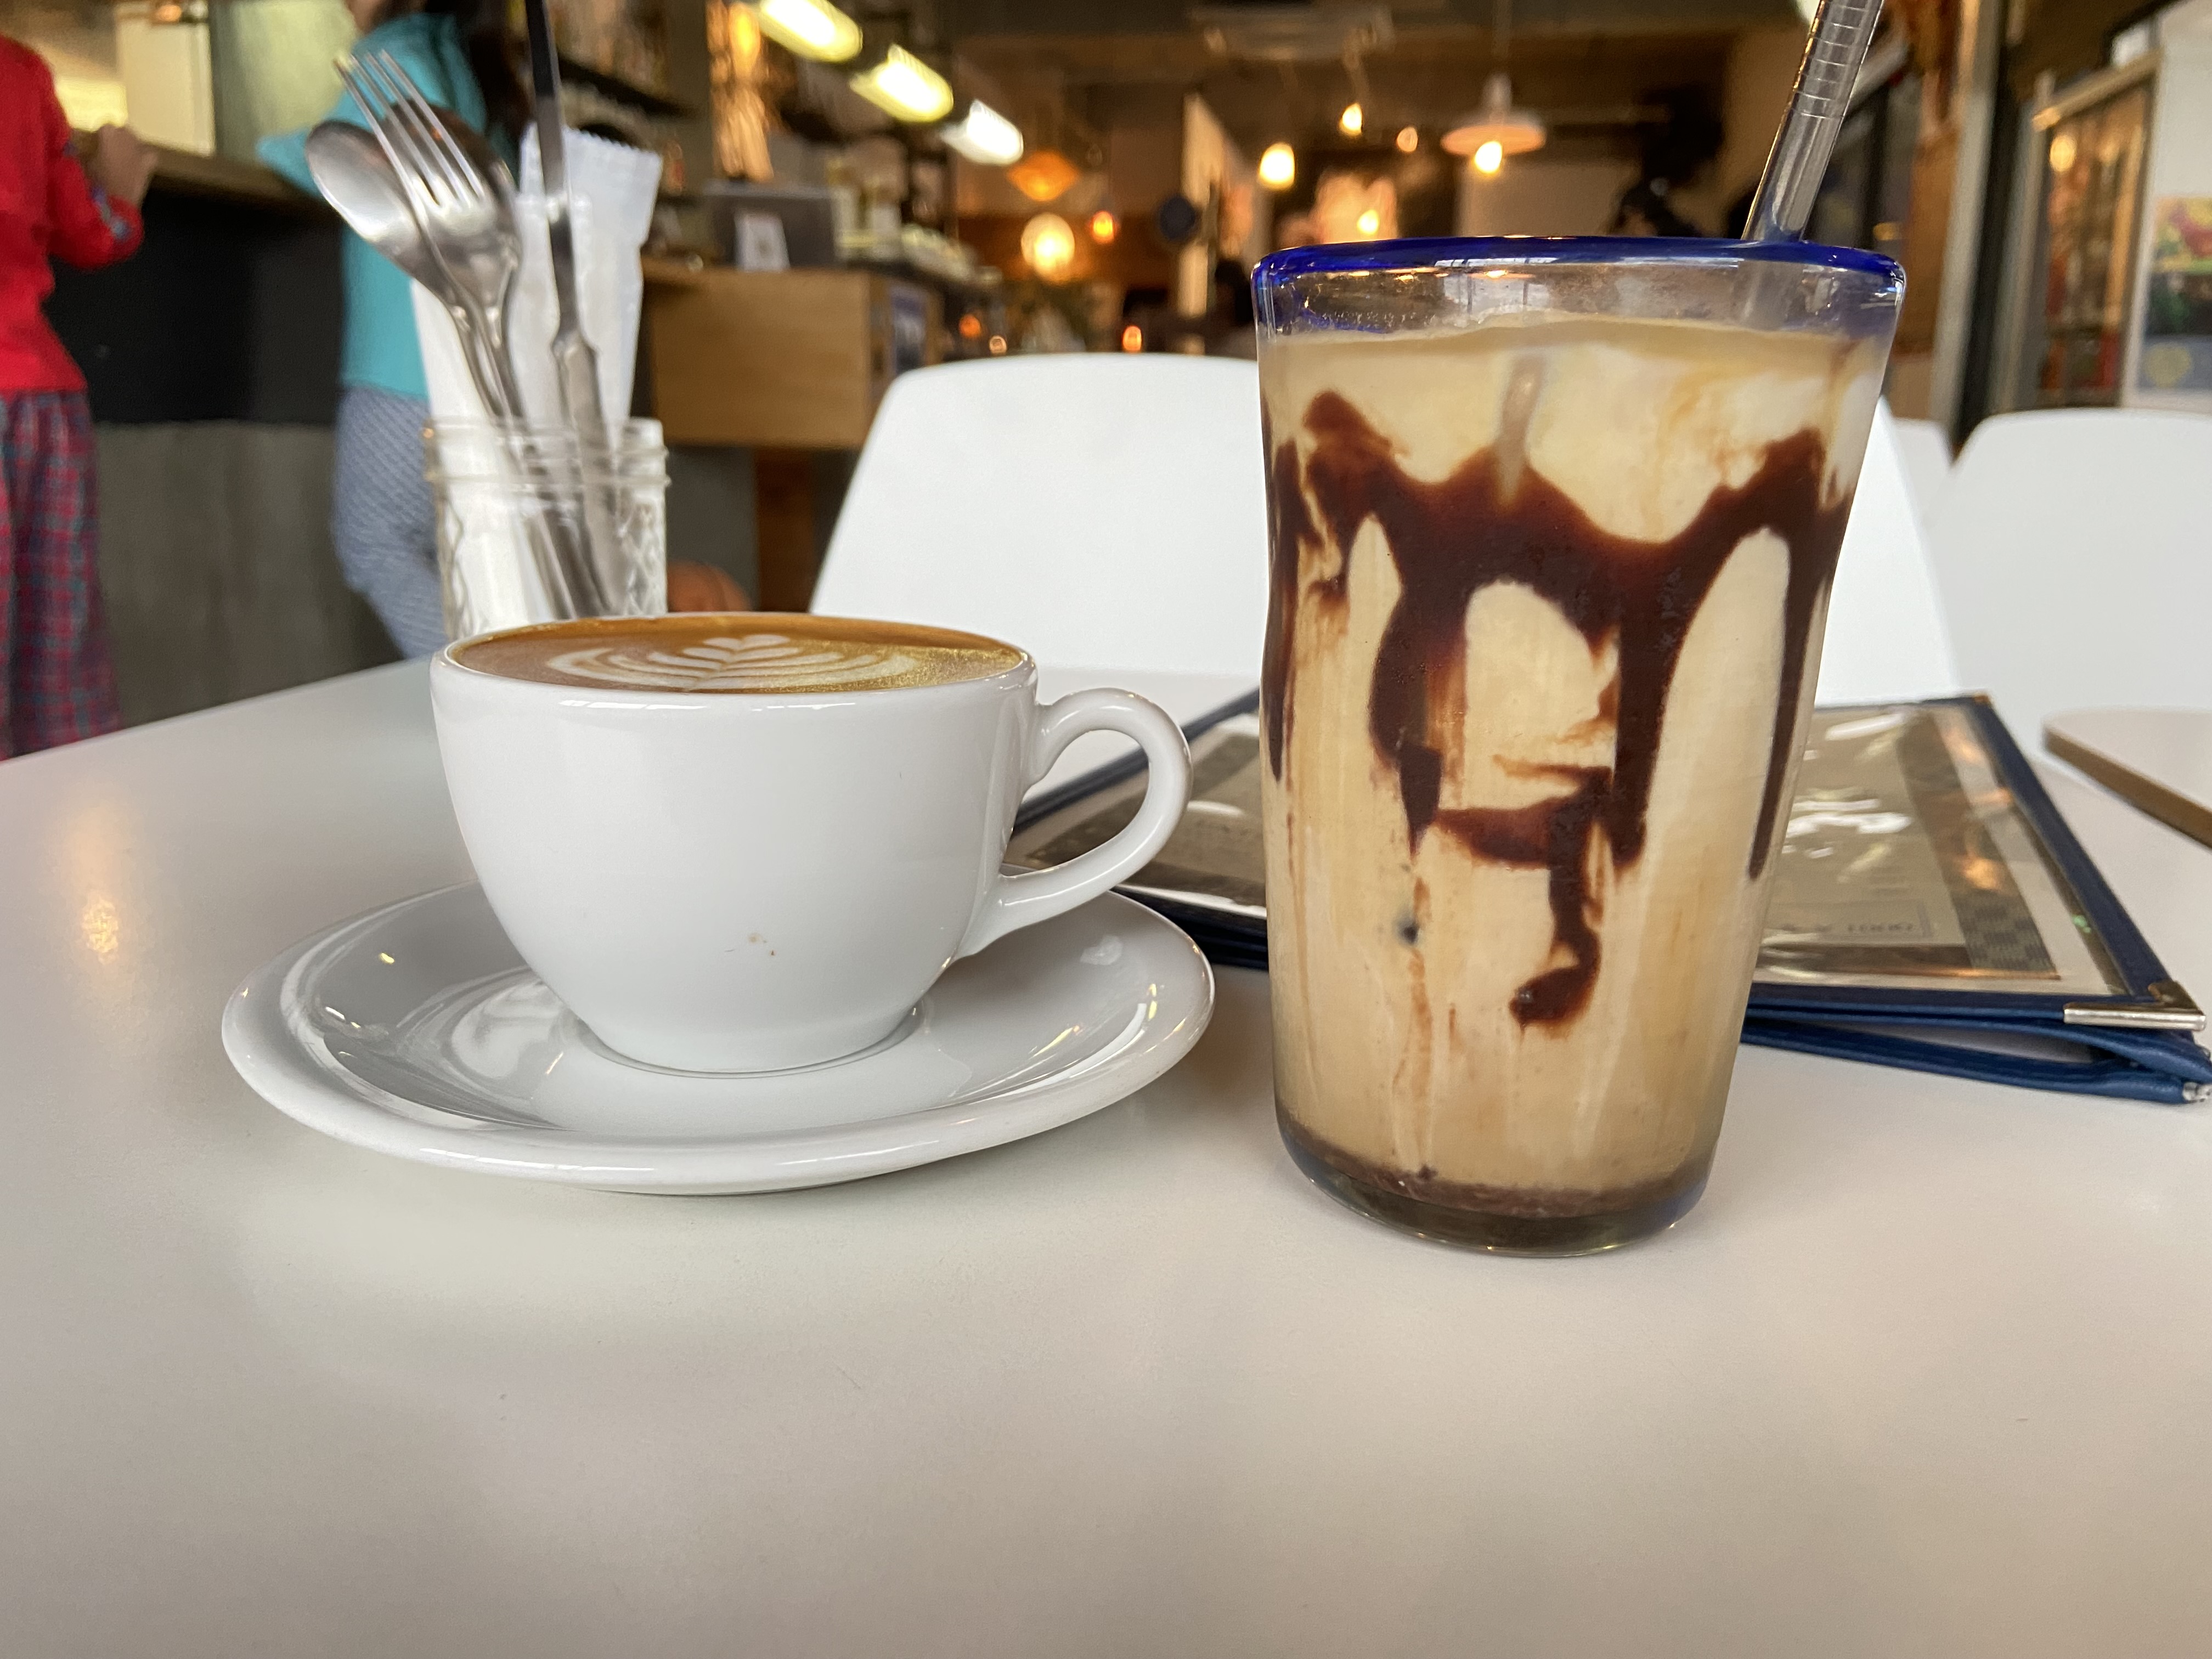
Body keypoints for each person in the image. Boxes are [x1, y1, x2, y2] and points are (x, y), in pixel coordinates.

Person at [259, 0, 526, 659]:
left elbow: (331, 158)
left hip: (402, 369)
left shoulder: (396, 60)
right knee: (467, 552)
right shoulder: (462, 60)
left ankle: (475, 684)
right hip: (476, 367)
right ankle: (494, 678)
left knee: (374, 538)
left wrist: (263, 147)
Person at [0, 38, 153, 759]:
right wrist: (120, 192)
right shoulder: (21, 71)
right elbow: (95, 232)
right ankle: (74, 814)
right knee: (62, 665)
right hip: (43, 405)